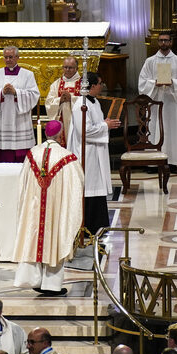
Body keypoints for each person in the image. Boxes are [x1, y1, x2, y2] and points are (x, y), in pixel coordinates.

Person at [12, 119, 83, 296]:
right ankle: (51, 284)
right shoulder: (67, 157)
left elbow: (23, 183)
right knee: (54, 240)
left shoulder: (32, 154)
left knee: (34, 237)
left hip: (35, 208)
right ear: (60, 135)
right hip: (55, 209)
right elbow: (77, 184)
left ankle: (32, 279)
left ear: (45, 134)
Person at [68, 72, 119, 236]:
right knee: (89, 188)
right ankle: (88, 225)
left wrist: (106, 125)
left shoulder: (94, 102)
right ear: (92, 85)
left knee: (97, 188)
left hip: (96, 151)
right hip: (87, 153)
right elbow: (85, 131)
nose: (102, 86)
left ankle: (99, 224)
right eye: (100, 83)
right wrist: (105, 126)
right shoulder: (80, 105)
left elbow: (96, 125)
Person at [137, 31, 177, 167]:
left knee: (173, 130)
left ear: (171, 42)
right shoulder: (150, 61)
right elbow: (142, 82)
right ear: (158, 42)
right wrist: (154, 83)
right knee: (155, 128)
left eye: (166, 40)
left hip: (172, 102)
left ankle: (173, 161)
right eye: (161, 40)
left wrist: (173, 83)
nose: (163, 43)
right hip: (156, 102)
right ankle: (153, 162)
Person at [0, 46, 41, 162]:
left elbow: (35, 94)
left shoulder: (28, 75)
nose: (8, 60)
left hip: (20, 121)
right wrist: (1, 93)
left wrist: (16, 93)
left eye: (11, 57)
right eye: (6, 57)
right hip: (1, 121)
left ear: (17, 57)